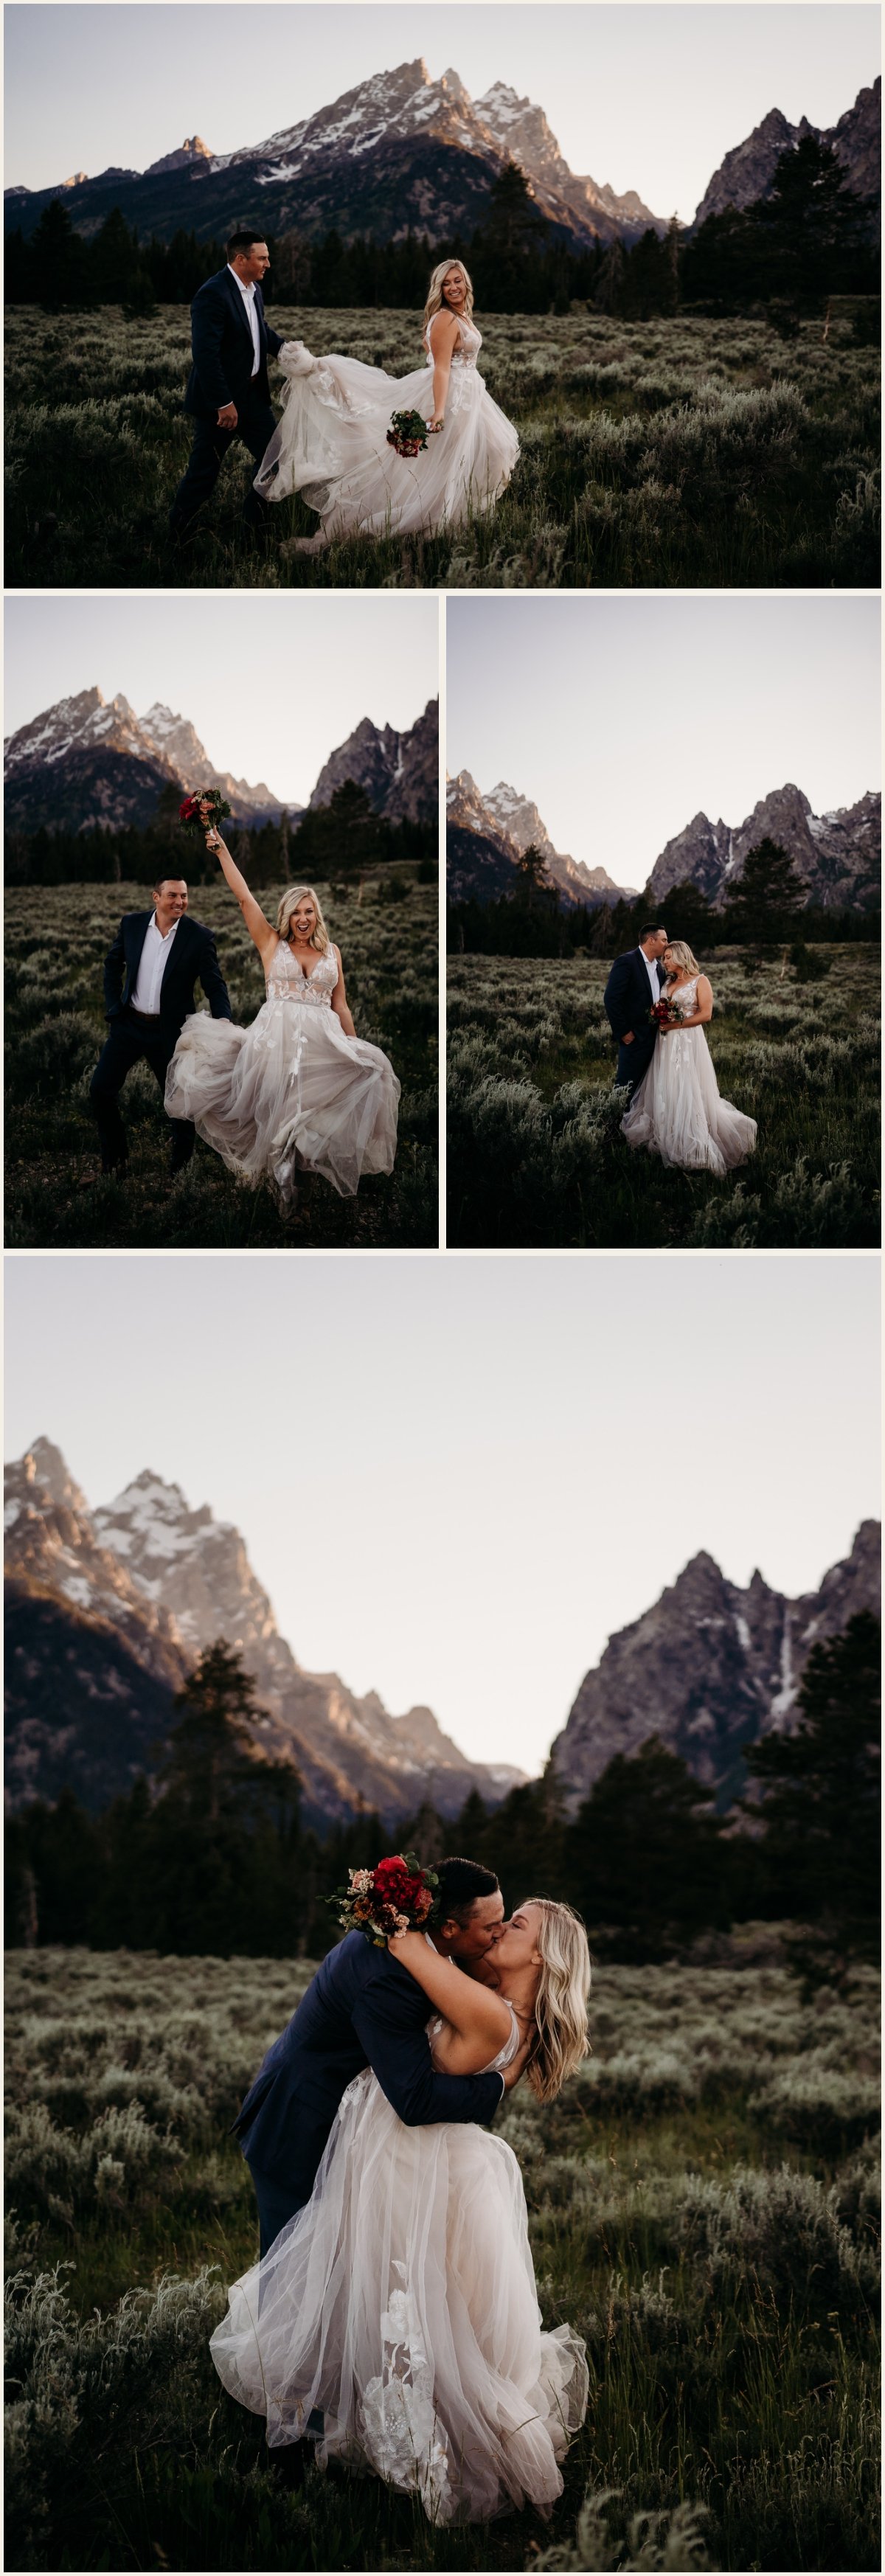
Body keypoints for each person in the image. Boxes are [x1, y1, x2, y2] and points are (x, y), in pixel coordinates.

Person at [211, 1872, 591, 2524]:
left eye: (515, 1924)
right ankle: (357, 2422)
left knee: (378, 2301)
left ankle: (361, 2444)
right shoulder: (508, 2012)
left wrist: (388, 1904)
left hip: (402, 2164)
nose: (501, 1930)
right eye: (497, 1920)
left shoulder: (486, 2010)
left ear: (539, 1956)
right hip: (407, 2161)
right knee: (405, 2307)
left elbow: (410, 1948)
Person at [164, 824, 399, 1207]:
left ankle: (296, 1183)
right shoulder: (272, 944)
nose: (303, 919)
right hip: (276, 1042)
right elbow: (244, 899)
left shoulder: (332, 953)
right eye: (296, 913)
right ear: (286, 916)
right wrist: (222, 849)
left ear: (316, 915)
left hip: (323, 1044)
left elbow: (340, 1005)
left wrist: (354, 1044)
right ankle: (287, 1199)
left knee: (358, 1080)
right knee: (282, 1115)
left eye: (309, 912)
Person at [252, 257, 519, 549]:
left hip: (470, 398)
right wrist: (440, 410)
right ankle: (418, 524)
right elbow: (441, 368)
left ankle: (443, 523)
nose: (453, 287)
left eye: (457, 281)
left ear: (466, 282)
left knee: (466, 459)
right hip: (453, 399)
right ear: (438, 288)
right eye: (446, 283)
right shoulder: (445, 318)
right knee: (445, 463)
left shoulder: (462, 315)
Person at [89, 874, 231, 1176]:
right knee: (100, 1089)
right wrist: (114, 1008)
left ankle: (179, 1176)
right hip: (129, 1024)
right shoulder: (132, 925)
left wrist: (224, 1024)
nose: (180, 901)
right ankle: (115, 1162)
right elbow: (112, 964)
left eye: (184, 895)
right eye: (173, 896)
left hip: (170, 1033)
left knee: (181, 1106)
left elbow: (215, 986)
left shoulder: (199, 937)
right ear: (156, 897)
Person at [169, 232, 283, 544]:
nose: (268, 264)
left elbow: (260, 330)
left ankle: (251, 531)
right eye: (262, 258)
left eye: (267, 257)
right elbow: (205, 355)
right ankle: (176, 538)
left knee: (274, 461)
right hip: (220, 405)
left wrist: (287, 350)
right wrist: (223, 403)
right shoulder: (213, 294)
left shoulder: (254, 290)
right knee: (204, 474)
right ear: (240, 259)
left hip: (254, 399)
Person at [621, 937, 757, 1172]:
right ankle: (668, 1130)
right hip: (665, 1044)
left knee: (687, 1085)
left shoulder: (700, 981)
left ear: (681, 956)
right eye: (663, 957)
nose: (664, 961)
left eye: (668, 957)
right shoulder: (668, 982)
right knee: (667, 1084)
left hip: (688, 1041)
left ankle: (693, 1139)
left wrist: (676, 1024)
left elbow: (706, 1014)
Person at [603, 921, 669, 1099]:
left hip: (656, 1039)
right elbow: (611, 998)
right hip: (634, 1038)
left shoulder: (660, 968)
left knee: (648, 1088)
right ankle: (614, 1124)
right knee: (626, 1086)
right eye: (664, 940)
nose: (667, 944)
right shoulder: (627, 962)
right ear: (651, 940)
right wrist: (624, 1031)